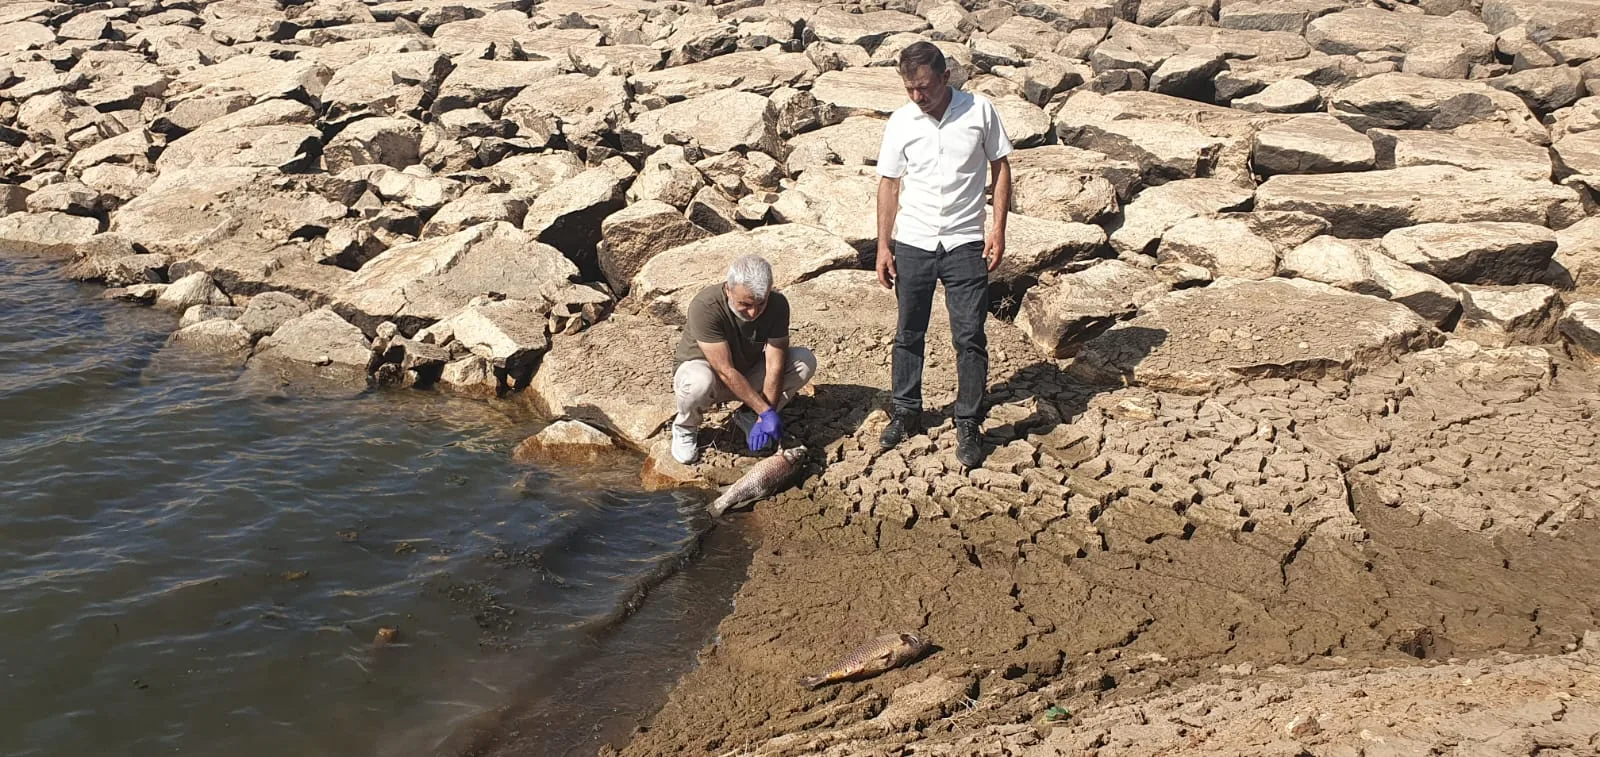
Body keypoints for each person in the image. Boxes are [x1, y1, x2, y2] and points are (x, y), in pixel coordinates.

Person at [873, 40, 1013, 469]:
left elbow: (1001, 167)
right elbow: (889, 183)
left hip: (965, 241)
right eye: (910, 88)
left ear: (946, 77)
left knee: (969, 335)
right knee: (908, 331)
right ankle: (906, 411)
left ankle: (968, 420)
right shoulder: (901, 121)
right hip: (914, 240)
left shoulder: (980, 111)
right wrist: (883, 244)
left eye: (925, 87)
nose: (918, 96)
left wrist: (998, 228)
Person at [671, 254, 818, 465]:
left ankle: (748, 415)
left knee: (803, 360)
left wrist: (762, 414)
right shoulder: (706, 306)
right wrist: (767, 412)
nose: (753, 312)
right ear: (728, 290)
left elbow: (775, 365)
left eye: (761, 303)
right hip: (709, 375)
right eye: (745, 304)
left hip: (746, 373)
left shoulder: (777, 305)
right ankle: (686, 426)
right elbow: (725, 370)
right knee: (698, 381)